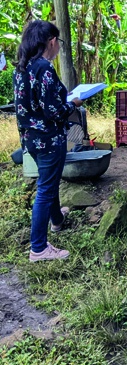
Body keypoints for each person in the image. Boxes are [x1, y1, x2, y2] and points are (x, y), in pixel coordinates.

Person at [13, 20, 84, 262]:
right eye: (58, 43)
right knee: (45, 190)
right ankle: (39, 248)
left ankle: (57, 220)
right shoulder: (44, 68)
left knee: (48, 181)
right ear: (51, 41)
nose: (58, 48)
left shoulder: (22, 67)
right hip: (48, 138)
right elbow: (53, 111)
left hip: (30, 138)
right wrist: (72, 104)